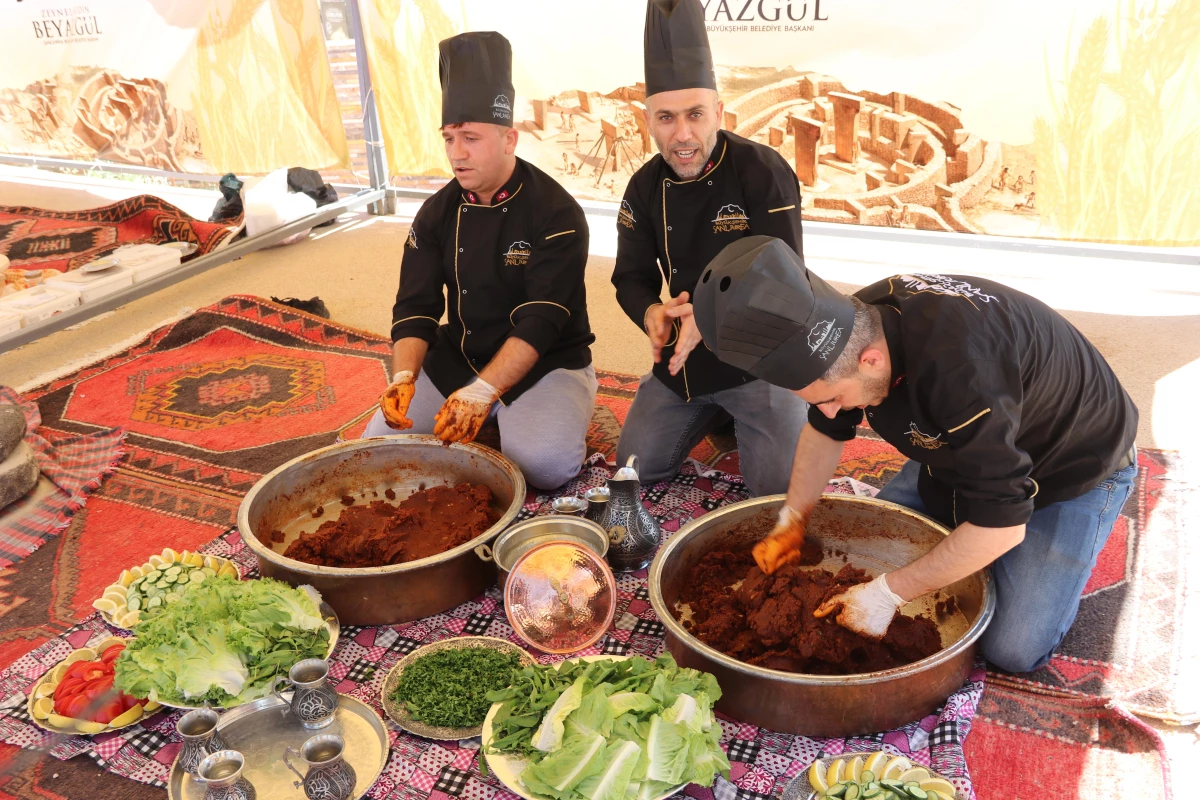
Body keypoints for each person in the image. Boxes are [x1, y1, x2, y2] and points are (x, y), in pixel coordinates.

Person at [690, 236, 1139, 673]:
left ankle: (1072, 534)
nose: (827, 410)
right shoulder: (856, 323)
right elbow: (825, 431)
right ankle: (963, 485)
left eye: (832, 398)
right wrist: (793, 520)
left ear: (871, 361)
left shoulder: (964, 376)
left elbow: (1001, 530)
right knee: (868, 553)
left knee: (1012, 648)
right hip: (960, 446)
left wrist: (888, 594)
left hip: (1072, 464)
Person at [363, 31, 597, 491]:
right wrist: (405, 376)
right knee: (381, 452)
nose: (456, 153)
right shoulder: (436, 212)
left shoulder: (557, 212)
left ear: (509, 138)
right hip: (463, 353)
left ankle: (567, 398)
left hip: (547, 362)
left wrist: (483, 392)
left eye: (470, 137)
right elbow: (415, 307)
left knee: (543, 468)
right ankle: (483, 408)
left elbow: (542, 321)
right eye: (449, 138)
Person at [609, 0, 808, 495]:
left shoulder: (762, 170)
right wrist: (652, 312)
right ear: (647, 120)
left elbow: (788, 279)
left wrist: (711, 315)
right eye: (666, 118)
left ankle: (748, 414)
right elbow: (629, 278)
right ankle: (714, 413)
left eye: (696, 115)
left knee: (776, 494)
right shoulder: (643, 187)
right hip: (684, 363)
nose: (682, 135)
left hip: (764, 357)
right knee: (632, 472)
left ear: (719, 111)